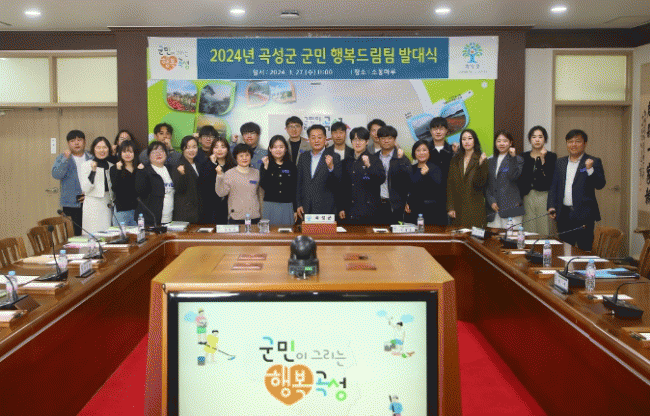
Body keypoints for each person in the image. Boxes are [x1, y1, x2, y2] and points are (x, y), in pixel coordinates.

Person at [547, 129, 606, 251]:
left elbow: (600, 184)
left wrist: (590, 170)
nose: (573, 144)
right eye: (570, 141)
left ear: (585, 144)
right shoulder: (560, 162)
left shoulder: (593, 161)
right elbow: (553, 186)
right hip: (563, 214)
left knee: (585, 249)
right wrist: (551, 205)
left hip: (584, 215)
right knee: (564, 250)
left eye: (577, 141)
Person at [337, 127, 385, 224]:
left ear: (367, 142)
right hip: (349, 210)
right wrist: (341, 207)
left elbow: (381, 179)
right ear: (351, 141)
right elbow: (341, 186)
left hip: (369, 211)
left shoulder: (374, 160)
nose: (357, 143)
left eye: (361, 140)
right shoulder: (346, 162)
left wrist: (369, 166)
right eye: (355, 139)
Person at [296, 124, 342, 218]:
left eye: (319, 137)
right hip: (306, 208)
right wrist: (298, 204)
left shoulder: (334, 157)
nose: (316, 140)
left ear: (325, 139)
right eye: (313, 138)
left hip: (326, 208)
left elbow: (339, 183)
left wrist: (331, 167)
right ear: (309, 140)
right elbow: (298, 182)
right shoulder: (303, 157)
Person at [51, 129, 92, 235]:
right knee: (74, 236)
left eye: (79, 140)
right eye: (72, 141)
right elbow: (56, 174)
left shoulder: (91, 157)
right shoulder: (63, 157)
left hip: (90, 202)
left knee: (91, 233)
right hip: (70, 204)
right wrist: (65, 159)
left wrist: (89, 194)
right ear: (68, 143)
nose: (76, 143)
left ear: (84, 142)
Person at [519, 126, 557, 235]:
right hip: (527, 196)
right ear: (530, 139)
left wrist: (543, 159)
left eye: (540, 137)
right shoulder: (523, 156)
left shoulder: (551, 156)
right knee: (528, 227)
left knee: (543, 227)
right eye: (534, 137)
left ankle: (543, 246)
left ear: (545, 139)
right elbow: (520, 178)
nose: (537, 140)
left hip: (544, 195)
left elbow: (549, 178)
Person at [447, 129, 489, 228]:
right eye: (464, 139)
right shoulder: (455, 159)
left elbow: (480, 184)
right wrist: (450, 207)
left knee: (474, 236)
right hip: (458, 207)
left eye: (470, 138)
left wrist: (481, 165)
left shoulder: (481, 158)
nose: (467, 141)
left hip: (474, 207)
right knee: (458, 235)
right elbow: (450, 184)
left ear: (475, 140)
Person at [216, 144, 263, 224]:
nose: (244, 158)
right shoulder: (229, 174)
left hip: (255, 217)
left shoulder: (257, 173)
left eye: (247, 155)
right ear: (236, 157)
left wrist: (262, 214)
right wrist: (219, 175)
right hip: (236, 218)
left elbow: (260, 195)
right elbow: (221, 193)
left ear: (251, 156)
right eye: (241, 156)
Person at [486, 130, 525, 229]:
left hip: (511, 208)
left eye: (505, 141)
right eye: (498, 141)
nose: (501, 143)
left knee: (512, 237)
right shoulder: (490, 161)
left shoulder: (518, 159)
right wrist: (491, 201)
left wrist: (512, 158)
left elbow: (513, 176)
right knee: (493, 237)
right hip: (493, 210)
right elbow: (487, 184)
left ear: (510, 143)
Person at [405, 140, 446, 225]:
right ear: (414, 153)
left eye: (424, 150)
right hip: (414, 211)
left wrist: (427, 174)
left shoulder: (436, 168)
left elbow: (439, 188)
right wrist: (406, 202)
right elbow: (409, 189)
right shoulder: (411, 168)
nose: (421, 153)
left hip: (432, 212)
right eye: (418, 150)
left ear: (429, 152)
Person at [376, 126, 411, 224]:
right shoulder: (373, 158)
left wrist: (401, 160)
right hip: (377, 204)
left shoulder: (402, 158)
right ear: (378, 139)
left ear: (394, 140)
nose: (386, 141)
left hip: (396, 206)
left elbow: (409, 179)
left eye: (389, 138)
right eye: (383, 138)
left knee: (396, 232)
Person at [135, 141, 175, 226]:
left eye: (161, 151)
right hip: (151, 219)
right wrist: (140, 173)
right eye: (154, 152)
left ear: (166, 154)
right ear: (148, 156)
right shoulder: (145, 171)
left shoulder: (171, 169)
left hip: (170, 218)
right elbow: (140, 191)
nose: (158, 154)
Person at [260, 135, 297, 225]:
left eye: (281, 147)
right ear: (270, 149)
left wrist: (295, 209)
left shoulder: (291, 166)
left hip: (287, 205)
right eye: (275, 147)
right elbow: (263, 185)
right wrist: (266, 168)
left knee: (287, 231)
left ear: (286, 149)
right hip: (270, 204)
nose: (278, 150)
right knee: (269, 231)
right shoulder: (265, 164)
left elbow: (295, 189)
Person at [79, 136, 114, 234]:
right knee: (93, 235)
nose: (102, 150)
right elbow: (85, 188)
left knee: (108, 235)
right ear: (93, 149)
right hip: (92, 205)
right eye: (98, 147)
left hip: (107, 204)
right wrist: (93, 171)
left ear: (108, 149)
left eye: (105, 147)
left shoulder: (112, 166)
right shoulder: (86, 165)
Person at [198, 136, 236, 224]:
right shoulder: (206, 164)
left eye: (223, 147)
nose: (219, 150)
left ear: (227, 149)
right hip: (211, 209)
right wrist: (212, 163)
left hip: (229, 208)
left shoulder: (233, 165)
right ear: (212, 149)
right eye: (216, 147)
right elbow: (203, 184)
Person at [172, 135, 201, 223]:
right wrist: (182, 175)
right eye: (188, 147)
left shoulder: (198, 164)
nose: (191, 150)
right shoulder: (179, 166)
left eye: (194, 147)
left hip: (197, 210)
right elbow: (179, 189)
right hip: (185, 212)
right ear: (183, 149)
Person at [109, 140, 138, 226]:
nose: (127, 154)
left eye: (130, 152)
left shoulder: (139, 167)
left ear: (134, 153)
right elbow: (115, 188)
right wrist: (118, 170)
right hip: (121, 210)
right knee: (120, 234)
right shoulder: (114, 168)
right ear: (120, 153)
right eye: (124, 151)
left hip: (137, 210)